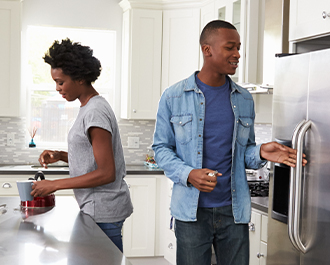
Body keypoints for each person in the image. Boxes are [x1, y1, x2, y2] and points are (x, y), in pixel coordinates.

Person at [152, 20, 307, 265]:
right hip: (191, 213)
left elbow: (244, 153)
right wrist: (189, 173)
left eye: (239, 48)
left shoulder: (244, 99)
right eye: (230, 47)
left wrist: (262, 152)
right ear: (207, 50)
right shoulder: (174, 96)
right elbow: (161, 148)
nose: (237, 55)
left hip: (234, 212)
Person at [31, 38, 133, 252]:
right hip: (97, 208)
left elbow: (106, 173)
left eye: (61, 82)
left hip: (103, 210)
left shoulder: (95, 111)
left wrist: (54, 184)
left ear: (79, 78)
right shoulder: (90, 107)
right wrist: (60, 155)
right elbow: (93, 158)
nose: (57, 88)